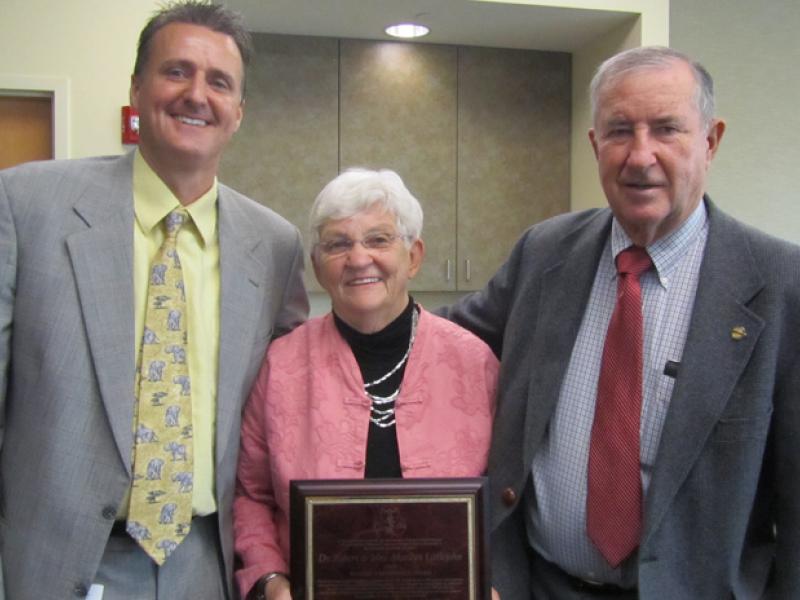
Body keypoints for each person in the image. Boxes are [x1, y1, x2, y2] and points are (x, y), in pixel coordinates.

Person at [442, 46, 800, 599]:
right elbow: (444, 344)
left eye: (666, 129)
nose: (640, 155)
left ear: (711, 141)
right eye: (618, 131)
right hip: (536, 585)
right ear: (594, 145)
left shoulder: (780, 285)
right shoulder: (545, 253)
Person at [0, 2, 307, 599]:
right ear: (137, 87)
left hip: (208, 564)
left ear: (239, 112)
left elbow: (285, 417)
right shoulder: (27, 206)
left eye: (219, 82)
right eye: (177, 72)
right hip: (63, 562)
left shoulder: (274, 245)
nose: (197, 94)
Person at [233, 168, 499, 600]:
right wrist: (269, 579)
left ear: (413, 256)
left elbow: (505, 497)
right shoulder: (280, 366)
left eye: (378, 239)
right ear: (318, 267)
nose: (358, 259)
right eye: (338, 244)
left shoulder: (474, 362)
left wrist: (492, 578)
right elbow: (251, 495)